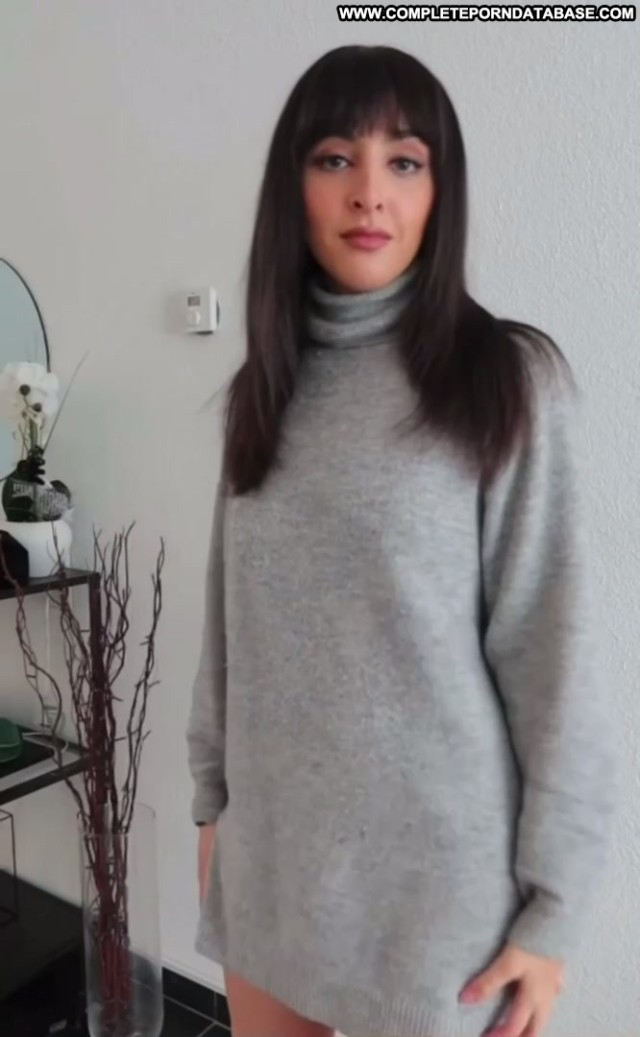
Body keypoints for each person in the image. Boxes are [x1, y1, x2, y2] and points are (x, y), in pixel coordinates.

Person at [186, 44, 618, 1037]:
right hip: (274, 866)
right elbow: (228, 617)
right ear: (292, 187)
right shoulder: (266, 389)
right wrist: (212, 803)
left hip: (439, 902)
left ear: (438, 189)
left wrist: (553, 915)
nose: (369, 193)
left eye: (405, 161)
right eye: (335, 157)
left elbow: (552, 654)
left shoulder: (504, 380)